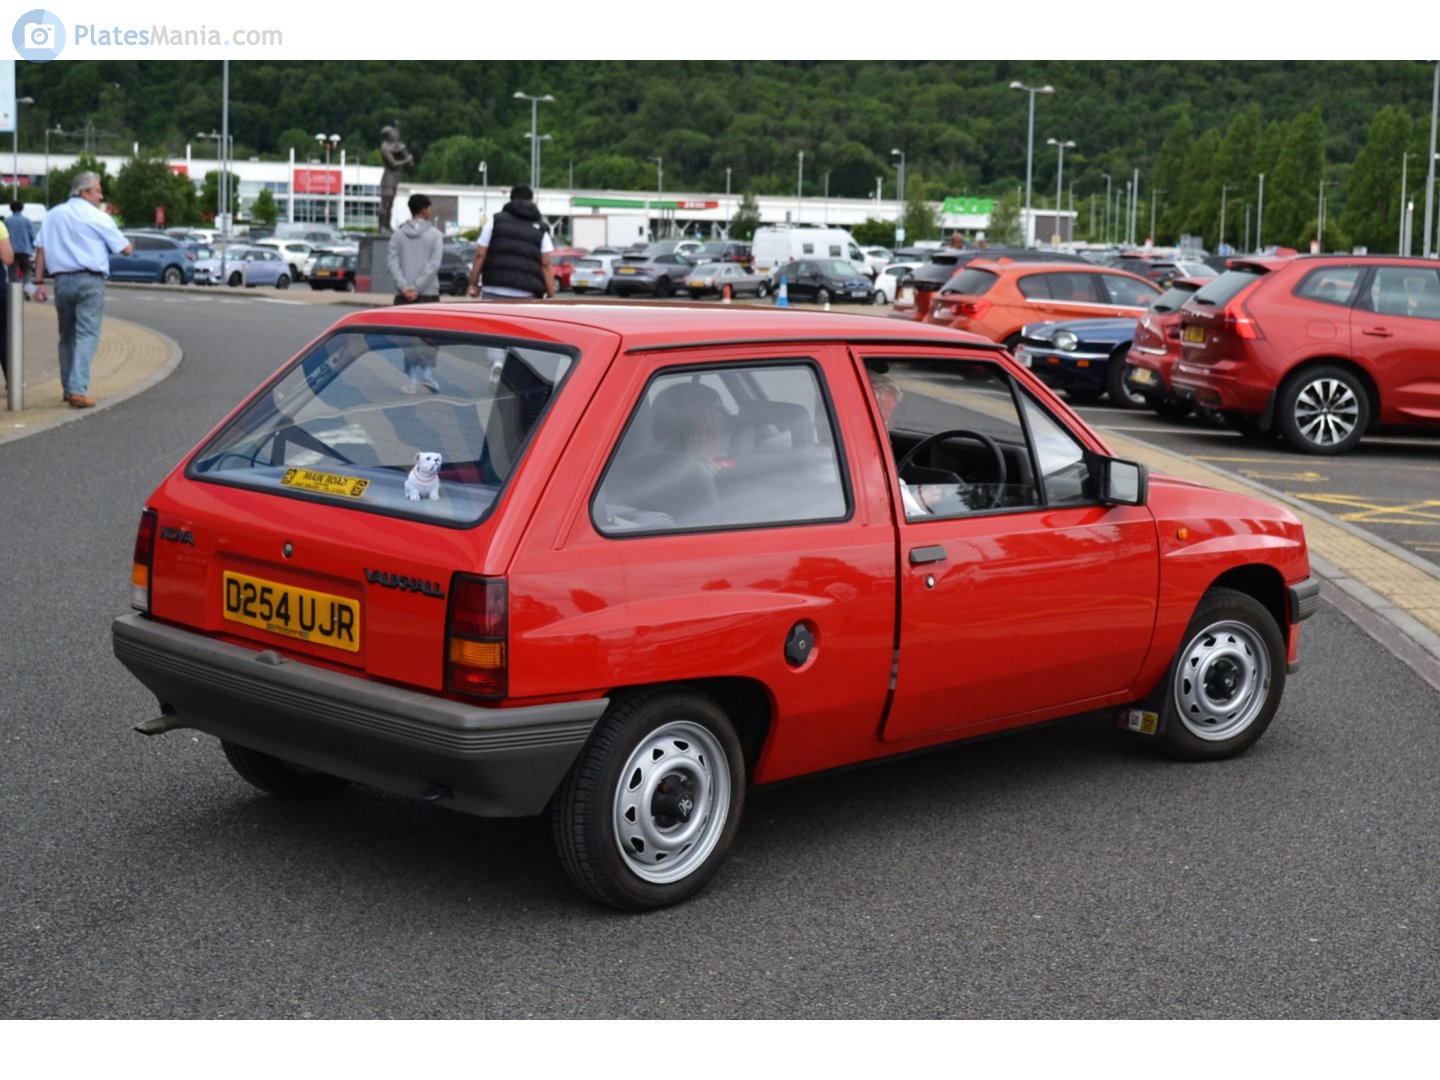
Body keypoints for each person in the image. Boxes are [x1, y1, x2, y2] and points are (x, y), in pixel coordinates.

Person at [30, 172, 134, 409]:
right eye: (98, 191)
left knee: (66, 337)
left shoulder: (53, 215)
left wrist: (38, 283)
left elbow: (41, 250)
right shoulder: (97, 217)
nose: (101, 195)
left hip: (61, 282)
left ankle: (68, 388)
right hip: (90, 281)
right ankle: (78, 389)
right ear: (84, 192)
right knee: (88, 334)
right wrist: (127, 243)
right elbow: (126, 250)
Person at [386, 193, 444, 394]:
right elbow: (434, 265)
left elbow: (392, 263)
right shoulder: (435, 235)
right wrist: (418, 287)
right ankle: (427, 374)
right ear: (425, 209)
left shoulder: (398, 235)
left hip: (403, 295)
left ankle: (410, 379)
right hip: (428, 293)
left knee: (407, 337)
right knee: (429, 336)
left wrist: (405, 287)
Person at [466, 184, 556, 300]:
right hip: (526, 292)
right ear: (531, 201)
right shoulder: (541, 227)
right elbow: (546, 264)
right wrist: (551, 293)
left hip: (493, 288)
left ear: (511, 199)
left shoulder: (495, 221)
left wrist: (473, 284)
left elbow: (480, 254)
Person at [377, 126, 413, 236]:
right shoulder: (385, 147)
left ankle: (387, 225)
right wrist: (406, 160)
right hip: (388, 178)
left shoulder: (392, 146)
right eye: (392, 133)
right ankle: (382, 227)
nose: (395, 135)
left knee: (391, 204)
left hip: (394, 179)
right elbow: (393, 163)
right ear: (388, 135)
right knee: (385, 204)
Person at [7, 201, 34, 286]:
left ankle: (15, 290)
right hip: (25, 251)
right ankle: (27, 289)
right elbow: (33, 236)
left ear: (11, 209)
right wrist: (32, 248)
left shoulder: (7, 221)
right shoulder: (27, 221)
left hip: (11, 251)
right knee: (26, 272)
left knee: (12, 272)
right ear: (22, 209)